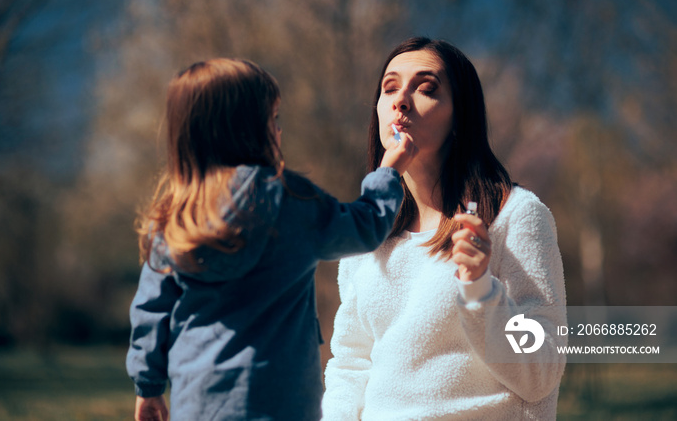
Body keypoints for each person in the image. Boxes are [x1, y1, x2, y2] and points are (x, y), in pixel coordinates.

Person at [126, 58, 418, 421]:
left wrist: (148, 386)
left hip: (199, 402)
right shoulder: (289, 200)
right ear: (249, 129)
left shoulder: (174, 215)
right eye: (274, 120)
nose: (279, 131)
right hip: (283, 401)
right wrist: (390, 171)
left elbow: (151, 310)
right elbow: (366, 226)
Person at [322, 37, 567, 420]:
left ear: (459, 116)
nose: (401, 100)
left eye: (426, 88)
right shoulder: (366, 231)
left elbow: (542, 372)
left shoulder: (515, 216)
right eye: (390, 88)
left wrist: (480, 290)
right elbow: (351, 364)